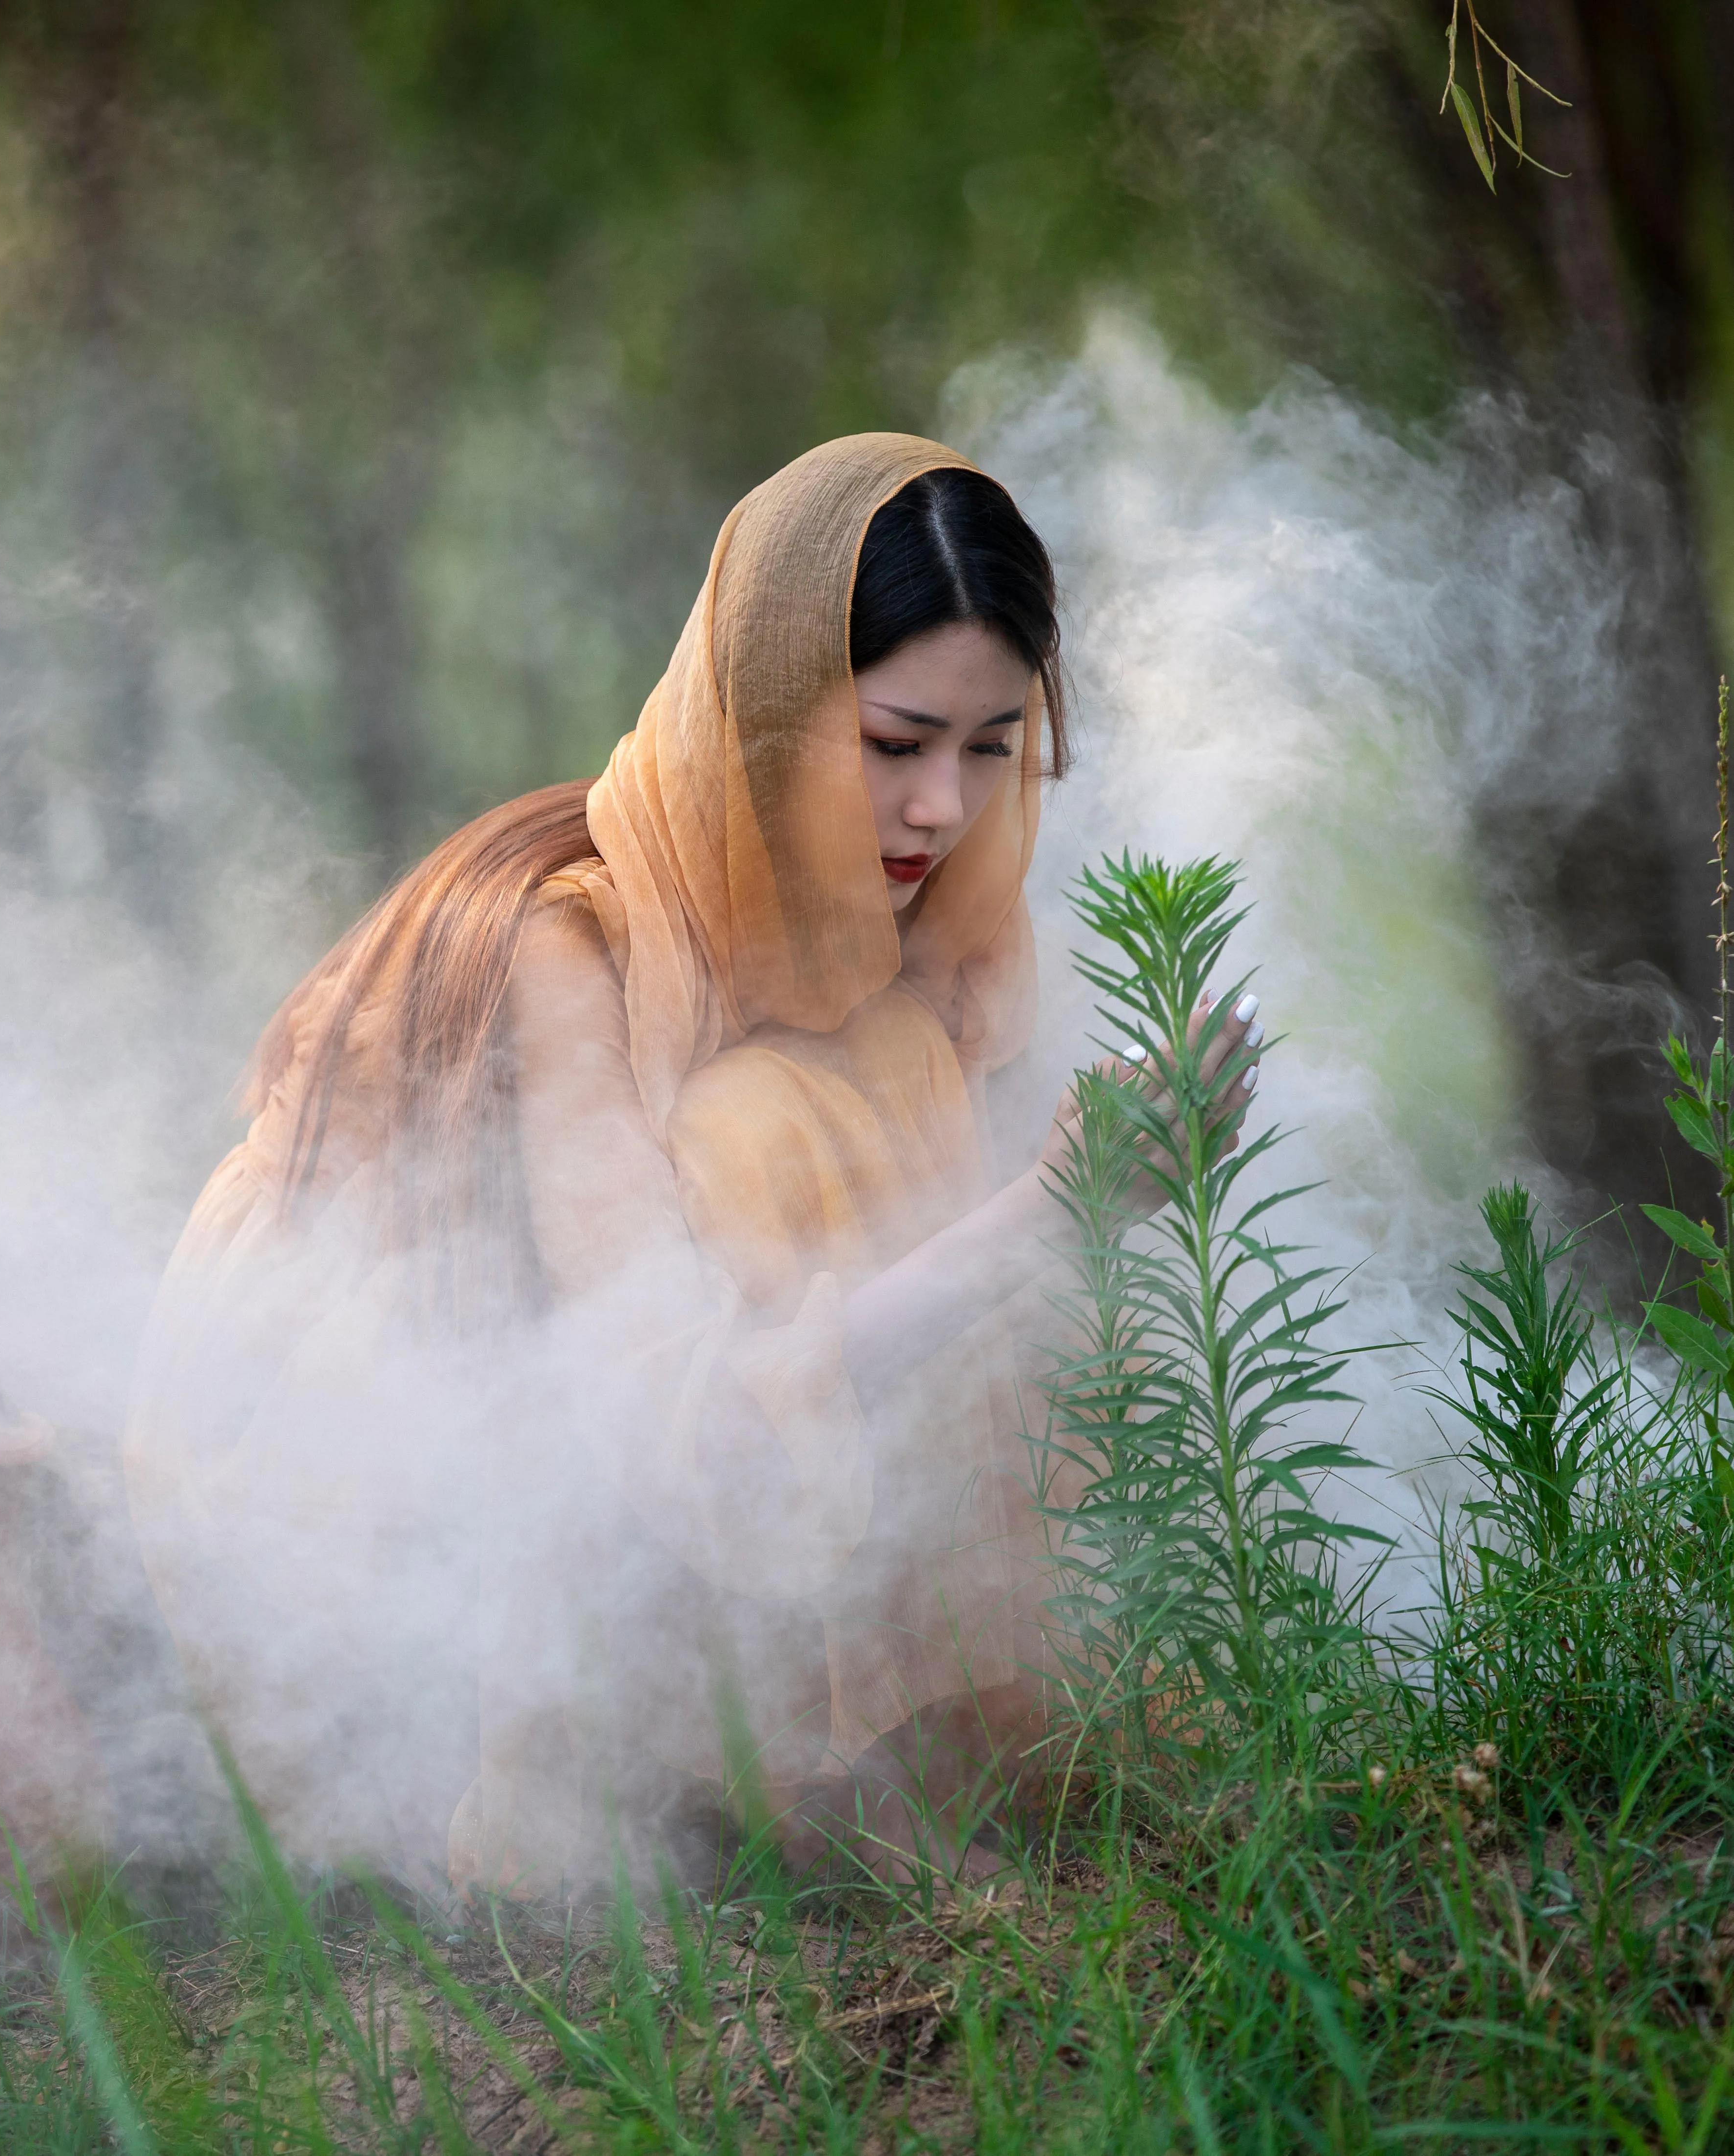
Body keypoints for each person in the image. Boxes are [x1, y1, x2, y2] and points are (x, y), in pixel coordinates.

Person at [122, 434, 1261, 1894]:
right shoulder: (566, 944)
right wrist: (1050, 1211)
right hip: (361, 1554)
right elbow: (654, 1407)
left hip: (635, 1493)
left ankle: (870, 1752)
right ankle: (677, 1775)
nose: (940, 809)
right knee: (766, 1127)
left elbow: (972, 1346)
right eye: (895, 741)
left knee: (868, 1104)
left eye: (990, 748)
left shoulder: (905, 914)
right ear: (772, 715)